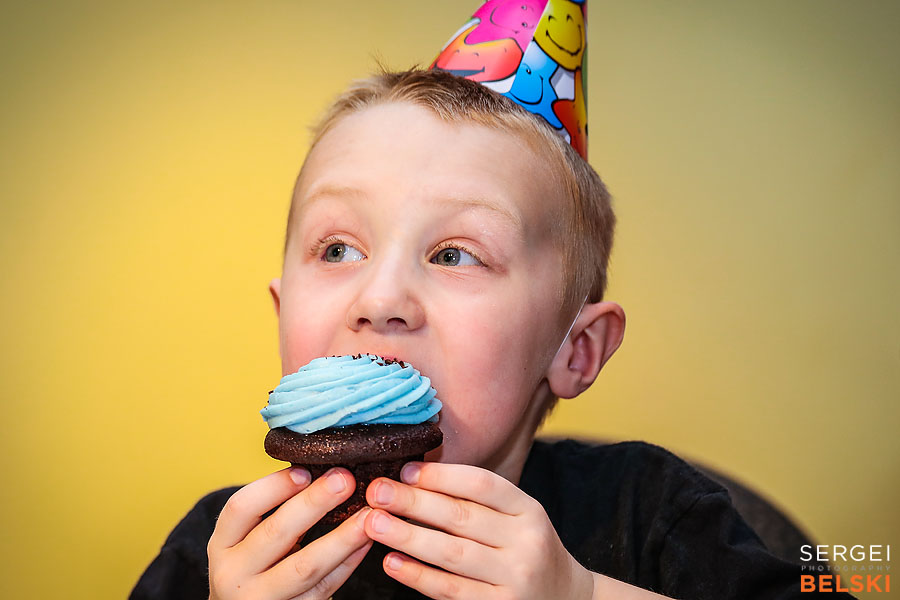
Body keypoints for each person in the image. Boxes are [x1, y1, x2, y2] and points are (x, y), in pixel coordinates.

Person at [131, 69, 851, 600]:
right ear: (282, 314)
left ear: (576, 351)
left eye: (454, 255)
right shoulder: (221, 552)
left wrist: (584, 596)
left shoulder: (649, 516)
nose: (380, 298)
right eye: (338, 249)